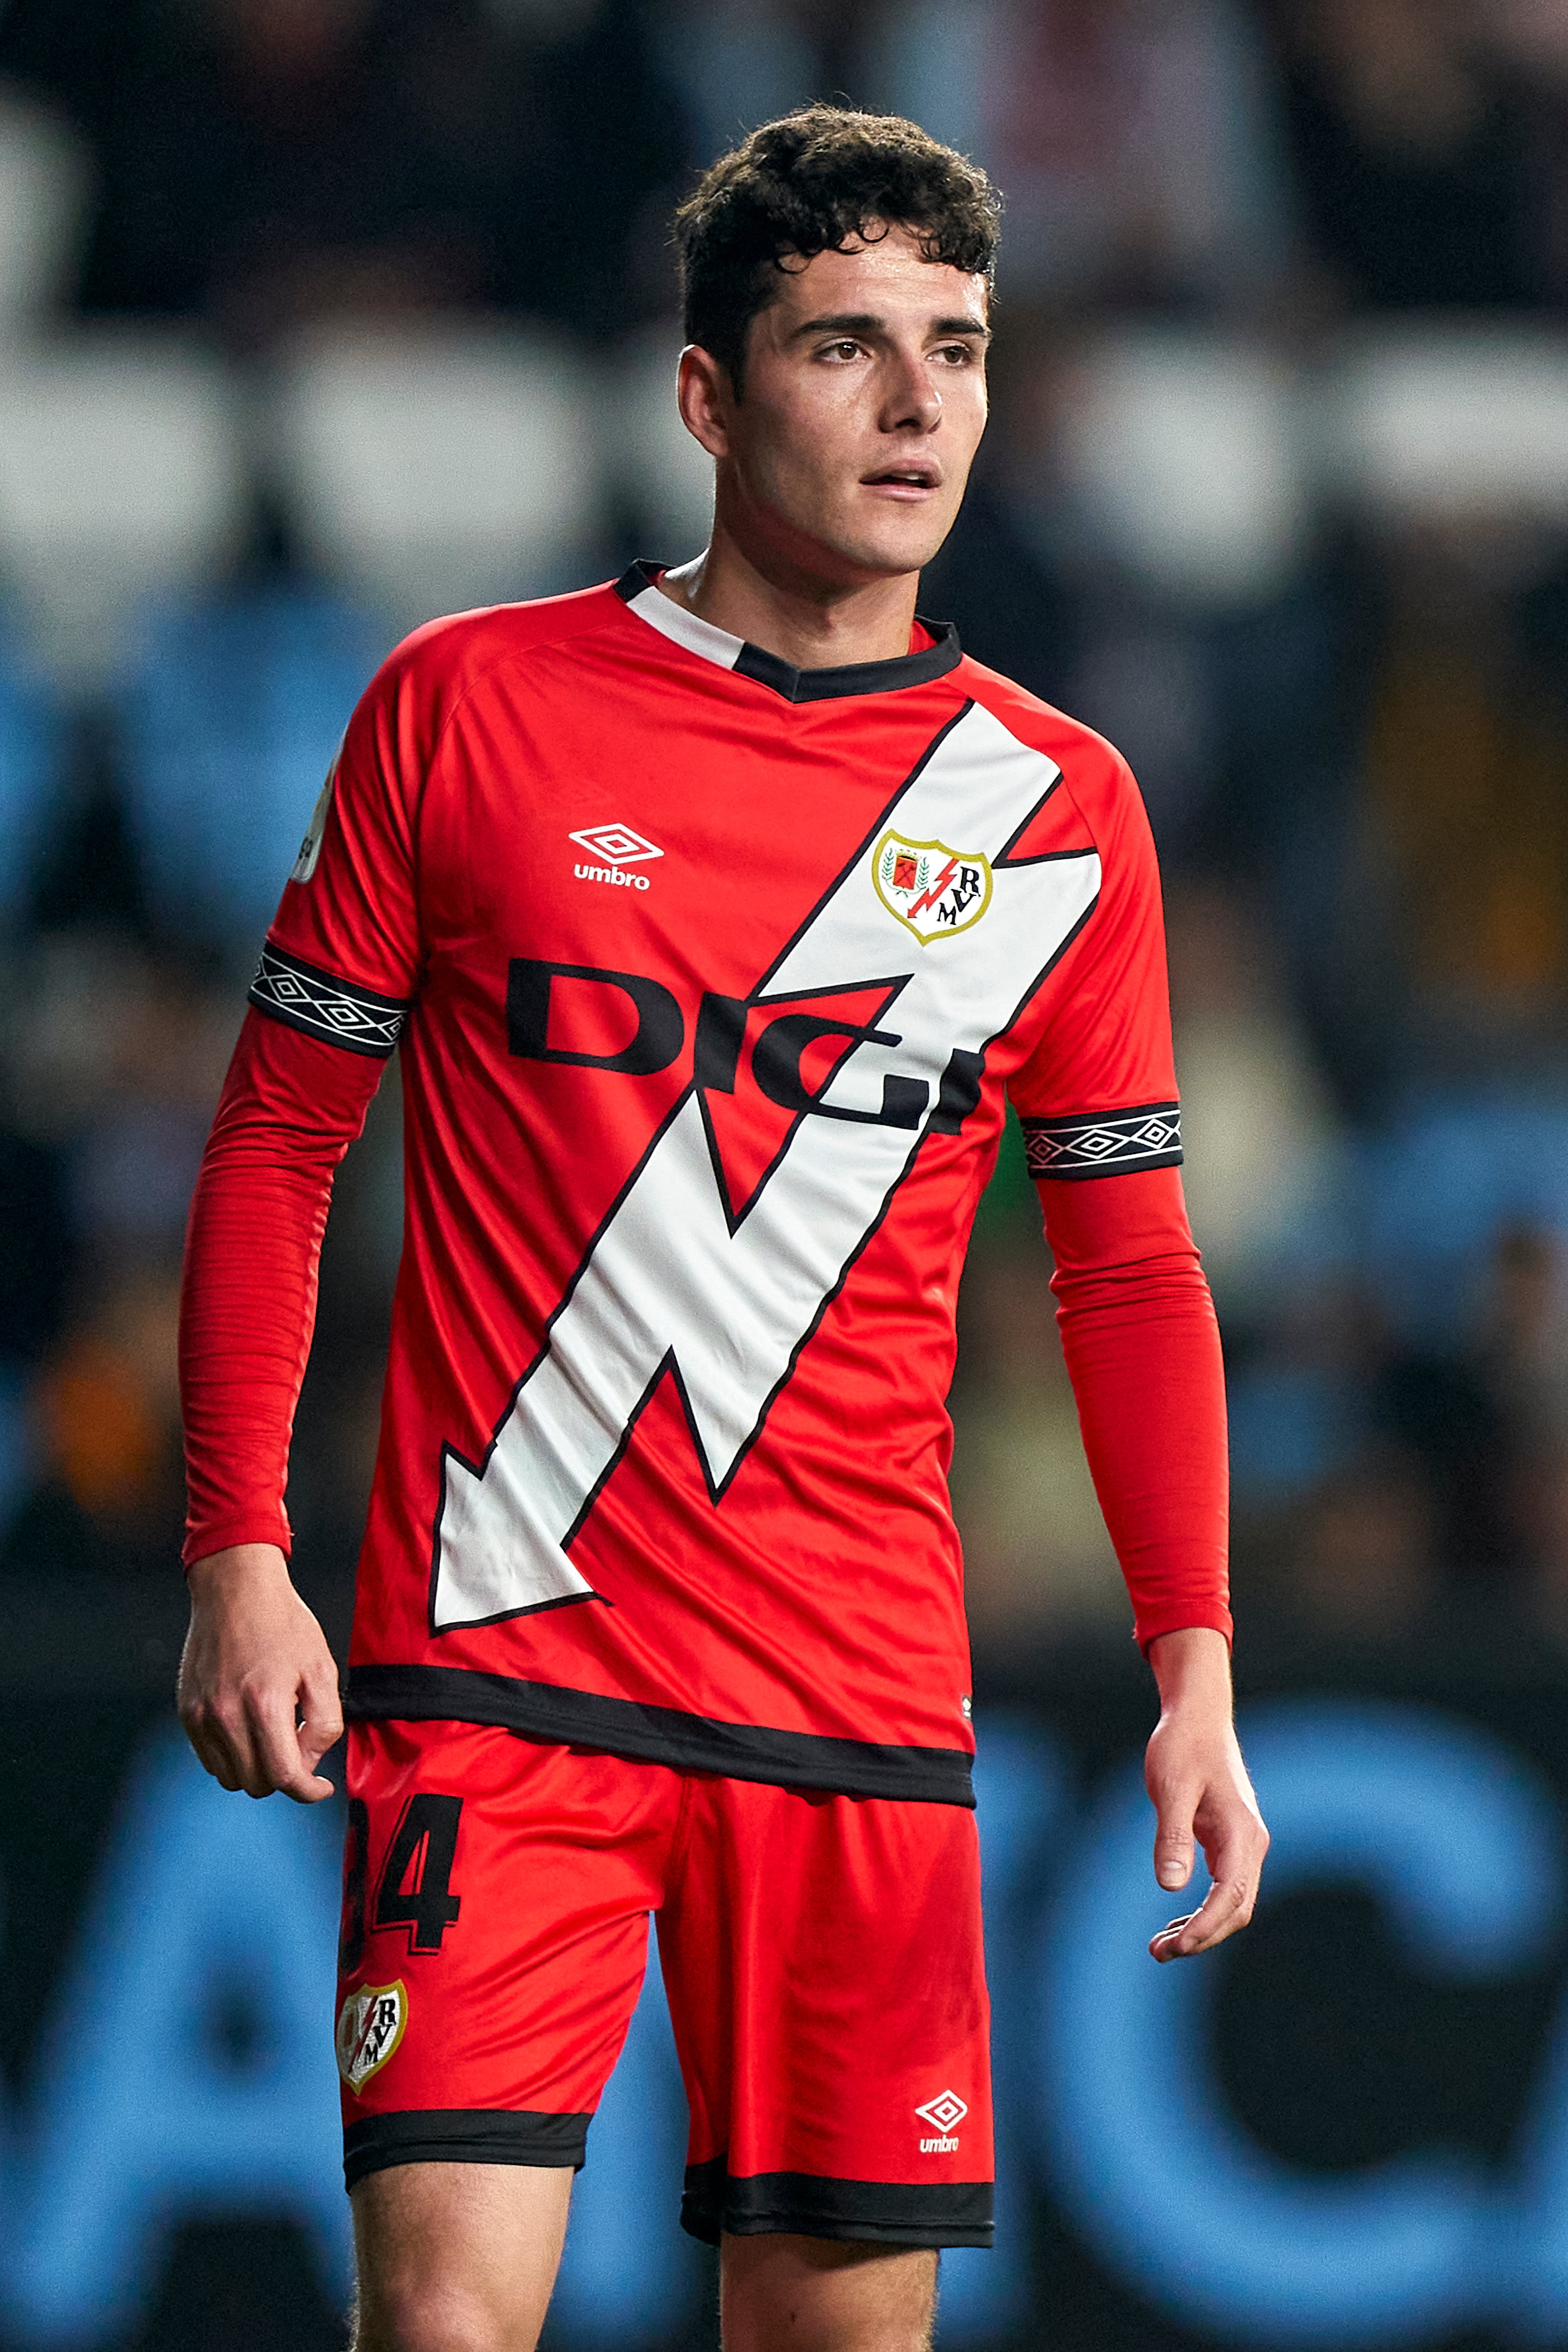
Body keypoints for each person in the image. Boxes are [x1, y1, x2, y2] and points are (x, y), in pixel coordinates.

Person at [177, 105, 1268, 2352]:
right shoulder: (469, 706)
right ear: (705, 394)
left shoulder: (1055, 813)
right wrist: (237, 1549)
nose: (914, 406)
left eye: (955, 351)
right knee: (446, 2327)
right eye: (846, 347)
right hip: (503, 1672)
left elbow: (1131, 1268)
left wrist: (1195, 1659)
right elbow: (283, 1139)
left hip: (855, 1692)